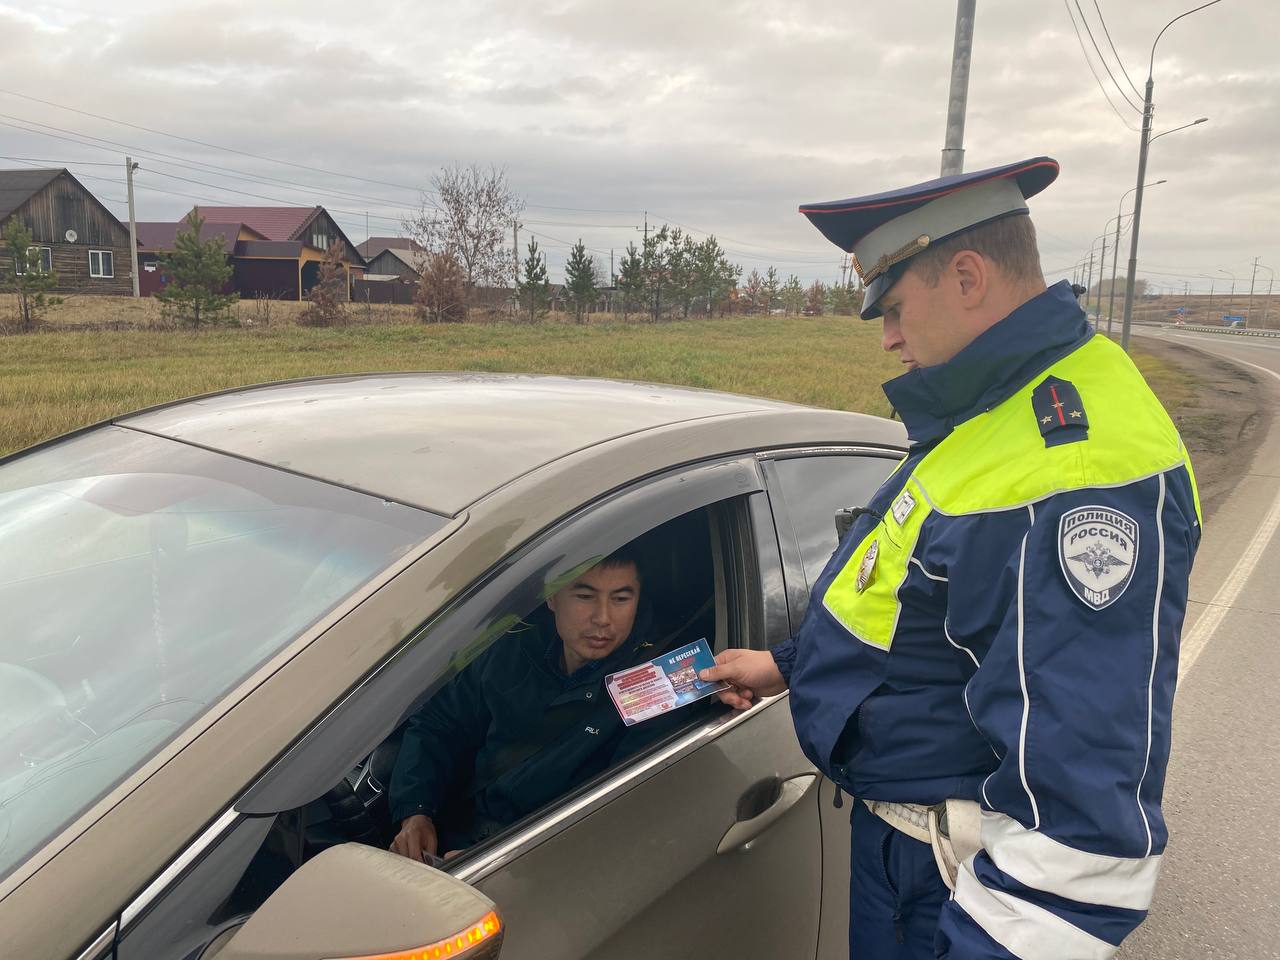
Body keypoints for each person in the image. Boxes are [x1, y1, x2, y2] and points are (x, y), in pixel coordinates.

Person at [701, 157, 1200, 960]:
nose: (889, 337)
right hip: (910, 847)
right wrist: (790, 662)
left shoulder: (1066, 475)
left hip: (957, 878)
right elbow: (925, 607)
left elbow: (1084, 832)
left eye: (894, 308)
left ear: (968, 275)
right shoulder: (993, 410)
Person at [388, 547, 665, 862]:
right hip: (457, 832)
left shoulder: (655, 685)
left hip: (545, 863)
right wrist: (415, 811)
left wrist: (509, 861)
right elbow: (439, 724)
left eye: (620, 599)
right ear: (551, 598)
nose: (603, 618)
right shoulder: (511, 648)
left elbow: (626, 811)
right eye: (585, 596)